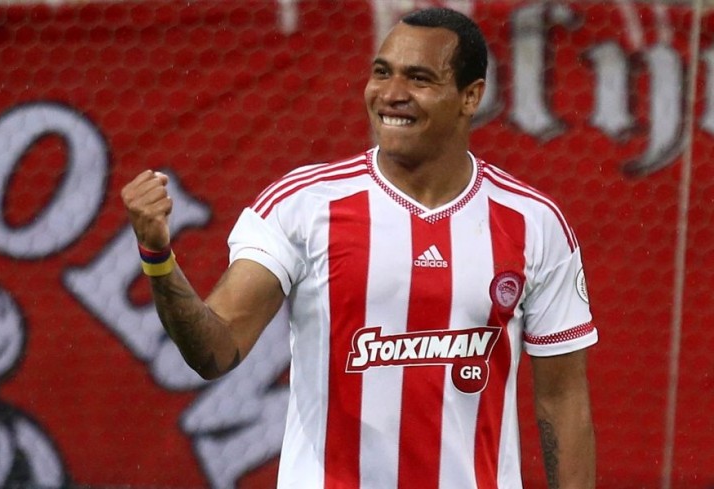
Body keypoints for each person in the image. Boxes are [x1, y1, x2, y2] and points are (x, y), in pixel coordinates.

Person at [121, 7, 597, 489]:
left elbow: (563, 402)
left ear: (470, 96)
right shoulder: (301, 206)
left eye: (419, 78)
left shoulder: (533, 224)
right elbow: (214, 352)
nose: (391, 94)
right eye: (382, 72)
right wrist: (158, 258)